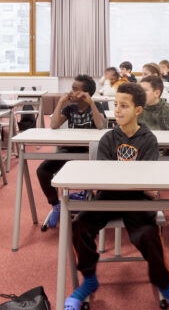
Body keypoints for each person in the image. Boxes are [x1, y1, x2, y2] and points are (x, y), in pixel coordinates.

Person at [67, 83, 169, 310]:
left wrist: (139, 184)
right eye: (116, 105)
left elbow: (148, 179)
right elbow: (104, 175)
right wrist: (134, 182)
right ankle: (89, 280)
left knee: (149, 235)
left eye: (124, 105)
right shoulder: (109, 139)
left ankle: (165, 285)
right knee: (80, 225)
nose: (117, 110)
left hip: (137, 200)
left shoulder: (148, 140)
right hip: (108, 197)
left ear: (138, 110)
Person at [37, 75, 106, 229]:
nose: (71, 92)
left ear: (86, 93)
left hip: (92, 153)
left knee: (104, 175)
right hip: (71, 151)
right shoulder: (70, 109)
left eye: (75, 89)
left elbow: (101, 125)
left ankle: (97, 208)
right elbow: (54, 125)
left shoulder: (97, 106)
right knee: (43, 170)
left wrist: (91, 103)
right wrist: (61, 101)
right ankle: (56, 205)